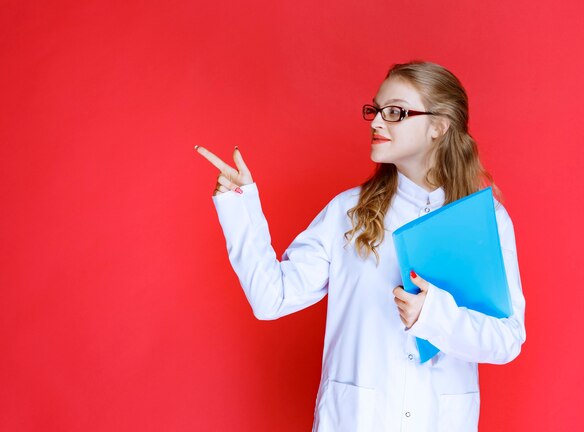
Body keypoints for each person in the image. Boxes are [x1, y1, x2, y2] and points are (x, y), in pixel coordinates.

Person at [195, 60, 526, 432]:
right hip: (357, 420)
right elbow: (271, 298)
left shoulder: (485, 220)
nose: (376, 122)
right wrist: (240, 206)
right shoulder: (347, 213)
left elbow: (506, 340)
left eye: (395, 112)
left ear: (438, 126)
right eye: (375, 110)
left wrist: (433, 316)